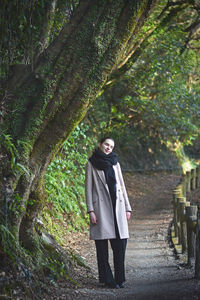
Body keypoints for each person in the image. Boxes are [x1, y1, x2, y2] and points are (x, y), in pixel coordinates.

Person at [85, 137, 132, 289]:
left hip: (118, 208)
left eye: (111, 146)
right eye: (106, 144)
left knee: (120, 244)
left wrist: (127, 207)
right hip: (101, 209)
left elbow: (122, 186)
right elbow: (88, 189)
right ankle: (107, 279)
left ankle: (120, 278)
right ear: (100, 144)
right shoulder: (91, 164)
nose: (108, 148)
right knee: (102, 247)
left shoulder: (115, 163)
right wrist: (90, 210)